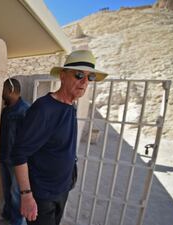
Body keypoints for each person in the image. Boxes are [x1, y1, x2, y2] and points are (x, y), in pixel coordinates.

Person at [11, 50, 108, 225]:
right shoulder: (44, 109)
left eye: (90, 77)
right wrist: (26, 195)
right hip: (42, 196)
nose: (84, 82)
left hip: (62, 189)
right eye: (79, 75)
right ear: (63, 76)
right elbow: (19, 154)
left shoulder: (70, 106)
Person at [0, 78, 30, 225]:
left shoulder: (25, 110)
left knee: (15, 193)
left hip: (16, 162)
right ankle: (8, 215)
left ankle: (17, 221)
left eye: (4, 89)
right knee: (7, 191)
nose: (2, 93)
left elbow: (28, 140)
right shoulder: (6, 111)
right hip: (4, 158)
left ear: (11, 90)